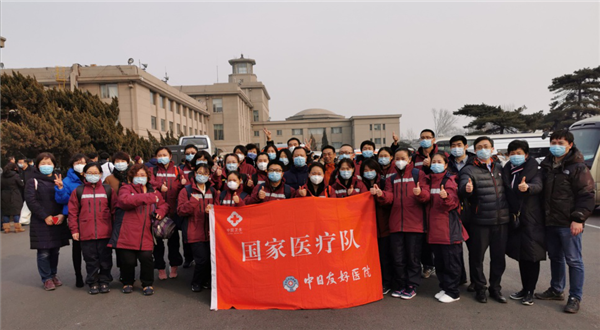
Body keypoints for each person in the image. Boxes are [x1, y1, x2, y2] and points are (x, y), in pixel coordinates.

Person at [535, 130, 595, 314]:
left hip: (568, 223)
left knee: (574, 260)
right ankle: (556, 289)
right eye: (553, 142)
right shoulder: (547, 166)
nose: (556, 145)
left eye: (560, 142)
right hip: (551, 221)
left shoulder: (578, 167)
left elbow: (586, 194)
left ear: (570, 144)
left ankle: (575, 297)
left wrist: (578, 219)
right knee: (556, 258)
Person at [458, 136, 510, 304]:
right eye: (479, 147)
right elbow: (462, 189)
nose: (483, 149)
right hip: (480, 221)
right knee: (477, 257)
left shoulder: (500, 168)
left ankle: (496, 288)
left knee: (498, 258)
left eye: (486, 146)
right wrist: (466, 190)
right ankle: (480, 288)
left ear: (493, 149)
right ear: (474, 150)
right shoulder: (469, 170)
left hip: (501, 220)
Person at [377, 148, 430, 300]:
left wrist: (421, 193)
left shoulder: (418, 175)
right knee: (398, 257)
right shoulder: (391, 179)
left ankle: (411, 285)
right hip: (396, 225)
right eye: (397, 158)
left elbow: (426, 196)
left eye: (403, 158)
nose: (399, 161)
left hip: (414, 224)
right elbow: (390, 198)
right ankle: (400, 284)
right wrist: (382, 195)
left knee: (412, 257)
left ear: (409, 160)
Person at [109, 164, 168, 295]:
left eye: (143, 175)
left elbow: (164, 204)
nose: (140, 178)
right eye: (137, 175)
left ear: (148, 177)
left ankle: (147, 283)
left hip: (146, 232)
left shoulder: (153, 191)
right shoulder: (126, 188)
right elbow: (125, 201)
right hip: (127, 231)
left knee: (147, 258)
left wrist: (160, 211)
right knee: (128, 260)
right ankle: (127, 281)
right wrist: (148, 197)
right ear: (131, 177)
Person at [500, 140, 546, 306]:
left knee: (532, 256)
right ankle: (524, 288)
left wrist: (528, 188)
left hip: (531, 219)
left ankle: (530, 292)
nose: (515, 156)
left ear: (526, 155)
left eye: (519, 153)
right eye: (512, 153)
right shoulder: (507, 171)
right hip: (516, 219)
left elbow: (538, 185)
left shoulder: (534, 170)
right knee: (522, 256)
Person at [426, 152, 468, 303]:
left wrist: (446, 198)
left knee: (451, 261)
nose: (436, 164)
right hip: (434, 229)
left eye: (439, 162)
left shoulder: (449, 180)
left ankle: (453, 291)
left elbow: (453, 203)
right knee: (440, 262)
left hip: (448, 229)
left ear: (445, 165)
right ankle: (445, 287)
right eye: (434, 161)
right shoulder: (429, 180)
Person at [25, 152, 70, 291]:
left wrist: (63, 215)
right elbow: (31, 201)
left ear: (54, 165)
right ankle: (46, 278)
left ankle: (53, 274)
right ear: (37, 165)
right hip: (41, 221)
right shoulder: (33, 181)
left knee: (55, 250)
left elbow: (66, 200)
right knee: (44, 251)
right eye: (43, 163)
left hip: (57, 220)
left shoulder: (59, 180)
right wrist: (45, 216)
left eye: (49, 163)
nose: (46, 166)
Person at [67, 163, 114, 294]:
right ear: (84, 174)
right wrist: (74, 230)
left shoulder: (108, 190)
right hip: (86, 233)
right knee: (90, 259)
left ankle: (104, 281)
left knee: (105, 259)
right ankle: (92, 281)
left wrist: (116, 230)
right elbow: (72, 213)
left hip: (105, 232)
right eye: (89, 173)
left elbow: (114, 211)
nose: (93, 176)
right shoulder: (78, 191)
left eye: (95, 173)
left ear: (100, 174)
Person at [177, 163, 218, 292]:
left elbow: (219, 208)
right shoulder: (186, 191)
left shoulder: (212, 191)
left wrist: (212, 210)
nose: (202, 176)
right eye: (199, 173)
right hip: (194, 231)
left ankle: (206, 281)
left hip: (210, 231)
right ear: (195, 174)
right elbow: (180, 211)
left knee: (210, 259)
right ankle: (196, 282)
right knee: (202, 260)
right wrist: (193, 203)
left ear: (209, 176)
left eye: (205, 173)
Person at [150, 147, 186, 280]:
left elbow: (185, 187)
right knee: (157, 244)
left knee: (174, 242)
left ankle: (174, 266)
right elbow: (147, 183)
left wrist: (183, 183)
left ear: (170, 156)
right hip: (158, 212)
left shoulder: (177, 170)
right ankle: (160, 268)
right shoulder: (152, 170)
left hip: (173, 212)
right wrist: (158, 185)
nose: (162, 157)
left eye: (164, 154)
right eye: (159, 155)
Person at [54, 153, 89, 288]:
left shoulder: (92, 178)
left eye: (83, 162)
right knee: (77, 248)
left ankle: (93, 273)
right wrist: (61, 189)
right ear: (72, 165)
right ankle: (78, 275)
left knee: (92, 248)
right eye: (77, 163)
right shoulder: (67, 181)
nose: (80, 165)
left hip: (91, 218)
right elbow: (62, 200)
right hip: (76, 217)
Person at [447, 135, 476, 290]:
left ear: (465, 146)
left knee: (474, 248)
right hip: (452, 209)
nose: (456, 148)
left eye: (459, 145)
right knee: (455, 247)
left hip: (471, 210)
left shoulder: (474, 162)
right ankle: (459, 276)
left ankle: (475, 280)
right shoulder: (447, 163)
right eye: (453, 145)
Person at [362, 158, 393, 294]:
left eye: (371, 170)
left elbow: (389, 199)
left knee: (385, 257)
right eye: (366, 171)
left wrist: (380, 194)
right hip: (366, 228)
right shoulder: (360, 185)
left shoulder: (384, 182)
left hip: (383, 226)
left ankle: (387, 282)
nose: (369, 173)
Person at [2, 163, 25, 233]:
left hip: (4, 194)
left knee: (5, 212)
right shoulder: (15, 176)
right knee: (16, 211)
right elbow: (21, 184)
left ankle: (6, 228)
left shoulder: (1, 176)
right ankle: (17, 228)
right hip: (15, 194)